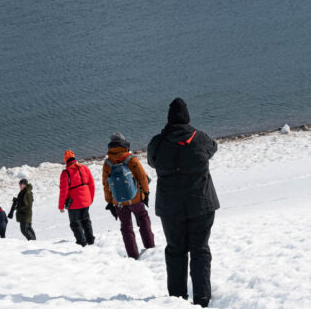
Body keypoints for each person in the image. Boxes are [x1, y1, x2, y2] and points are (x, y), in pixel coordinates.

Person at [148, 98, 219, 309]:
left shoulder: (158, 143)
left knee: (175, 250)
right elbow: (213, 148)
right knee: (200, 250)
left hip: (171, 208)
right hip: (201, 205)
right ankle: (202, 298)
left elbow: (152, 161)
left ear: (169, 119)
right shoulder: (201, 138)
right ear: (187, 118)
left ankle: (177, 300)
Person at [102, 131, 155, 259]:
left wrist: (110, 202)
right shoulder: (131, 159)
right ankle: (150, 247)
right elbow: (142, 177)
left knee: (126, 228)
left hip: (119, 202)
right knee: (143, 219)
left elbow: (106, 185)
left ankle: (133, 255)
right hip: (135, 198)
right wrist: (146, 193)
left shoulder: (107, 163)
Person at [58, 150, 95, 247]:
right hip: (86, 200)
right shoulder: (84, 168)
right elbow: (92, 184)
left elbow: (63, 191)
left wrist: (61, 206)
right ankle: (90, 240)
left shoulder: (66, 173)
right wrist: (90, 198)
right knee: (86, 220)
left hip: (74, 203)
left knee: (75, 223)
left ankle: (82, 242)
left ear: (66, 160)